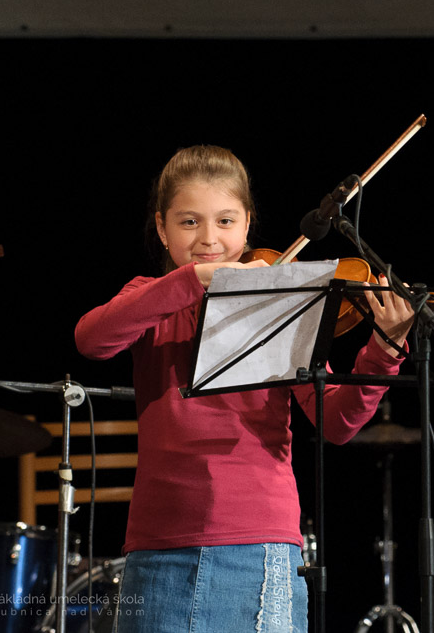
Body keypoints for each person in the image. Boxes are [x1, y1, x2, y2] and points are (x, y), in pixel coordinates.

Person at [75, 144, 413, 633]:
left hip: (259, 548)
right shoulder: (150, 298)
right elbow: (92, 338)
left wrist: (383, 351)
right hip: (156, 551)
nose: (209, 238)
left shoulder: (278, 302)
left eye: (226, 222)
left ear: (248, 224)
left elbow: (336, 423)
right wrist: (196, 280)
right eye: (189, 222)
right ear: (162, 227)